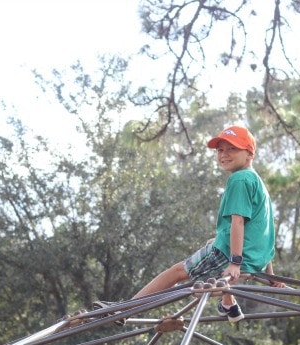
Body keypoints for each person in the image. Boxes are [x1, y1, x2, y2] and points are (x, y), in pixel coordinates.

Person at [94, 125, 285, 324]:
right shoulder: (258, 182)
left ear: (249, 154)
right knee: (213, 241)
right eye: (220, 150)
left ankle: (124, 310)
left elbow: (238, 222)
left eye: (232, 149)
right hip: (254, 259)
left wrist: (234, 263)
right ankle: (229, 304)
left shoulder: (239, 179)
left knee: (177, 272)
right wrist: (271, 275)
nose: (224, 155)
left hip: (235, 257)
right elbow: (263, 231)